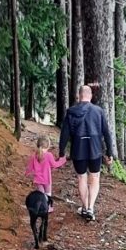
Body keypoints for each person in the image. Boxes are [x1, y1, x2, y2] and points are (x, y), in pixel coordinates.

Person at [58, 84, 113, 222]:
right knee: (95, 177)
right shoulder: (98, 111)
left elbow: (64, 133)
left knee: (81, 178)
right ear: (91, 95)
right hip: (95, 149)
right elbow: (106, 133)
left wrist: (61, 151)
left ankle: (84, 206)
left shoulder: (71, 111)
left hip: (78, 148)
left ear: (79, 95)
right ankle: (91, 208)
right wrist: (110, 153)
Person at [25, 134, 66, 212]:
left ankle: (40, 207)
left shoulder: (34, 155)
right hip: (47, 179)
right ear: (48, 146)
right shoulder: (49, 155)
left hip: (37, 179)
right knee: (48, 194)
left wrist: (27, 173)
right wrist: (62, 160)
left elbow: (29, 167)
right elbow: (54, 164)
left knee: (41, 194)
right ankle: (48, 208)